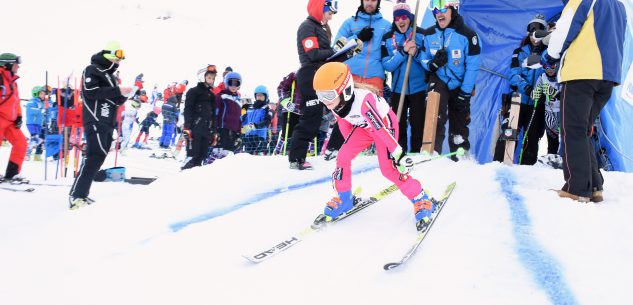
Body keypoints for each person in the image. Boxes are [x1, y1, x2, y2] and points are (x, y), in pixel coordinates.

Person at [314, 62, 435, 229]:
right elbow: (344, 124)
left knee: (388, 169)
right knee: (343, 156)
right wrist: (350, 146)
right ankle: (345, 199)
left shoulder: (364, 100)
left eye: (327, 95)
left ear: (345, 90)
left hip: (385, 126)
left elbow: (380, 128)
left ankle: (420, 197)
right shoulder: (335, 103)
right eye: (320, 95)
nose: (323, 101)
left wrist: (398, 154)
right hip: (365, 129)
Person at [542, 0, 626, 202]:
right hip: (608, 75)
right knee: (583, 130)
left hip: (582, 72)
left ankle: (576, 188)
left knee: (572, 129)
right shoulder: (619, 5)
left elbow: (565, 29)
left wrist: (551, 56)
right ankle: (594, 185)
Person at [289, 0, 355, 170]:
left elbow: (326, 59)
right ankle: (296, 159)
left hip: (320, 74)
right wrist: (335, 50)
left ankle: (336, 148)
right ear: (321, 7)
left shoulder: (320, 28)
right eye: (330, 13)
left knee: (337, 109)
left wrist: (348, 53)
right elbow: (313, 54)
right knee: (311, 116)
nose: (331, 17)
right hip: (310, 74)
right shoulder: (307, 26)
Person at [69, 41, 134, 209]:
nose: (119, 63)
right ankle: (77, 196)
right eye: (117, 59)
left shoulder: (111, 76)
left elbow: (115, 99)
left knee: (97, 157)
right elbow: (90, 92)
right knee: (94, 157)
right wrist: (118, 91)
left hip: (107, 122)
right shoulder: (93, 70)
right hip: (95, 120)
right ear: (109, 57)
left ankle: (80, 193)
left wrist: (127, 93)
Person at [419, 0, 481, 160]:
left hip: (460, 84)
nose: (439, 13)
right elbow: (423, 58)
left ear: (453, 9)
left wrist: (465, 93)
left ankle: (460, 159)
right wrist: (432, 64)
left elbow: (473, 67)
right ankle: (430, 153)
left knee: (459, 124)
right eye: (435, 10)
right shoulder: (428, 34)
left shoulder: (468, 35)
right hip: (439, 79)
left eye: (443, 8)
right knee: (435, 112)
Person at [381, 1, 428, 153]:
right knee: (398, 124)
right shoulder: (387, 37)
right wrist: (403, 52)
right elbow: (387, 65)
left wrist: (416, 53)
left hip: (418, 89)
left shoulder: (421, 34)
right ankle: (400, 155)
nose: (400, 20)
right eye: (397, 18)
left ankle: (415, 154)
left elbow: (428, 61)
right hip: (397, 89)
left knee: (417, 124)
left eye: (403, 17)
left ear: (410, 18)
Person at [509, 14, 548, 165]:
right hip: (518, 101)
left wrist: (542, 92)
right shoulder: (519, 52)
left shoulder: (550, 53)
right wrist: (526, 88)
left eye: (539, 33)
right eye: (532, 33)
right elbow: (513, 75)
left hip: (537, 104)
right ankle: (501, 165)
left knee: (532, 139)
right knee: (509, 135)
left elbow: (552, 75)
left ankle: (527, 171)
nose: (535, 37)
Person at [181, 65, 217, 170]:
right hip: (195, 128)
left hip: (207, 130)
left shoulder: (212, 95)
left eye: (213, 78)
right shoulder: (193, 91)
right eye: (209, 77)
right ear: (202, 77)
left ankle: (194, 180)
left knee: (202, 157)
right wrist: (187, 127)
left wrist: (214, 131)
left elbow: (213, 114)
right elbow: (187, 109)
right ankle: (183, 177)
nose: (211, 80)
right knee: (192, 156)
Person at [0, 53, 28, 182]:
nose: (18, 67)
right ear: (8, 64)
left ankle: (12, 174)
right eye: (17, 64)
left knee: (21, 143)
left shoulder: (13, 82)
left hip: (10, 121)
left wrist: (19, 117)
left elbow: (16, 102)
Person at [215, 72, 243, 156]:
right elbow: (215, 113)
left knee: (228, 154)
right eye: (231, 83)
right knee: (217, 153)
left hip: (233, 132)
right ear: (227, 83)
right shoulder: (221, 96)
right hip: (222, 129)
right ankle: (208, 167)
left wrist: (239, 133)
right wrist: (215, 129)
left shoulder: (239, 101)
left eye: (236, 83)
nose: (234, 86)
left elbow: (239, 118)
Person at [242, 85, 273, 155]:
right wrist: (242, 130)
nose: (259, 97)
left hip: (260, 137)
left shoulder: (267, 108)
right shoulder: (250, 108)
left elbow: (267, 121)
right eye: (258, 95)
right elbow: (244, 120)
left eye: (261, 96)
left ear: (266, 96)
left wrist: (256, 126)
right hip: (248, 137)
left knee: (257, 158)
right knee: (247, 157)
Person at [25, 86, 47, 161]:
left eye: (44, 93)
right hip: (31, 123)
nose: (43, 95)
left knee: (39, 139)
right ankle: (26, 154)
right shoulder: (32, 101)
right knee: (34, 139)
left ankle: (28, 150)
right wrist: (41, 110)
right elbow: (30, 110)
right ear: (35, 94)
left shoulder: (42, 102)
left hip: (38, 124)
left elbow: (44, 111)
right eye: (41, 93)